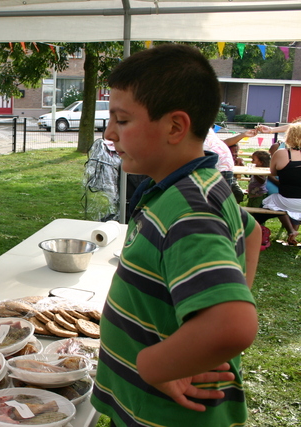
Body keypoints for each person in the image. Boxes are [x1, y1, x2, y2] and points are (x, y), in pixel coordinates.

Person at [90, 44, 260, 427]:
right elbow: (252, 233)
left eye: (122, 120)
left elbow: (233, 323)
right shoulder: (192, 186)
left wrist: (155, 366)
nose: (109, 133)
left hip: (165, 416)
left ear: (175, 127)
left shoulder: (188, 210)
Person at [261, 122, 301, 246]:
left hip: (286, 199)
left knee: (268, 202)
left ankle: (257, 230)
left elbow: (272, 172)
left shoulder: (282, 153)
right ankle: (292, 232)